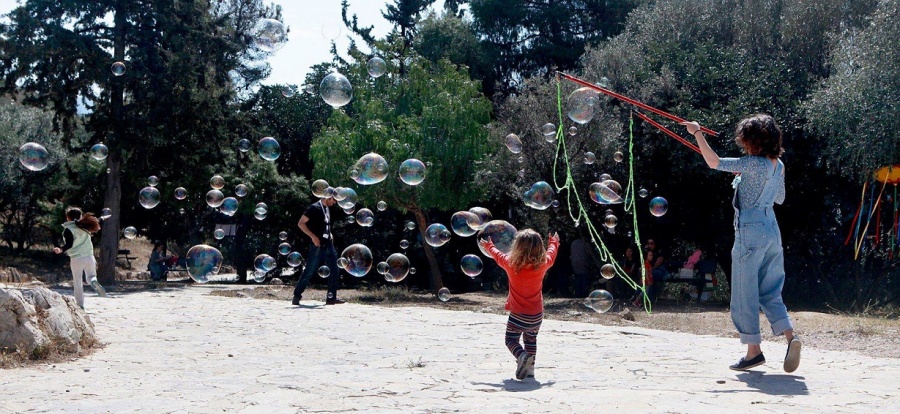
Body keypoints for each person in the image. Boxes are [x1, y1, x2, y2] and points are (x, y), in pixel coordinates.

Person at [683, 115, 800, 373]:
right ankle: (791, 336)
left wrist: (697, 132)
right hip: (772, 229)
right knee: (770, 290)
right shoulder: (778, 165)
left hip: (750, 230)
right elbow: (779, 198)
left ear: (753, 141)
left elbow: (714, 162)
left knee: (744, 292)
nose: (743, 144)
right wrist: (751, 179)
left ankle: (753, 352)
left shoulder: (752, 163)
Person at [479, 229, 559, 381]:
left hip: (518, 314)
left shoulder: (510, 263)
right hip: (537, 315)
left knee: (510, 340)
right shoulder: (543, 264)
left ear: (517, 247)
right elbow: (552, 253)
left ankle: (522, 356)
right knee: (531, 340)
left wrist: (489, 246)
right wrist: (554, 242)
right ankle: (530, 370)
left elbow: (497, 255)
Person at [292, 196, 344, 305]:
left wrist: (330, 234)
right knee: (309, 271)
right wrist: (313, 237)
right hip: (318, 245)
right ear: (328, 197)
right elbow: (301, 223)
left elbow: (324, 224)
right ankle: (297, 296)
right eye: (334, 200)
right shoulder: (314, 208)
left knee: (335, 269)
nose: (335, 202)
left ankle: (331, 298)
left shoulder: (327, 208)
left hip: (329, 244)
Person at [52, 207, 106, 309]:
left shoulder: (68, 229)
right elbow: (97, 221)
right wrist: (103, 217)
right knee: (91, 277)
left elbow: (69, 244)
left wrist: (61, 249)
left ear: (68, 217)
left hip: (76, 259)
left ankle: (80, 305)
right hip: (89, 257)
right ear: (80, 216)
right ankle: (94, 282)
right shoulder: (85, 226)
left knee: (78, 282)